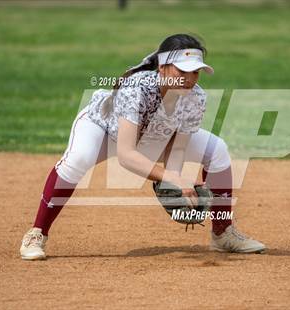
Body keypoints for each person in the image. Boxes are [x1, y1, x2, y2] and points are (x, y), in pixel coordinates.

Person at [20, 34, 266, 260]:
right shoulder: (138, 88)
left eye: (196, 73)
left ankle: (223, 234)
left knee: (218, 150)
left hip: (153, 138)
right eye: (183, 70)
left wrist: (176, 182)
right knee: (79, 157)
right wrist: (168, 176)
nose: (190, 79)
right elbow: (126, 156)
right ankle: (37, 233)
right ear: (162, 68)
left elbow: (177, 147)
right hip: (104, 130)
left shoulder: (196, 97)